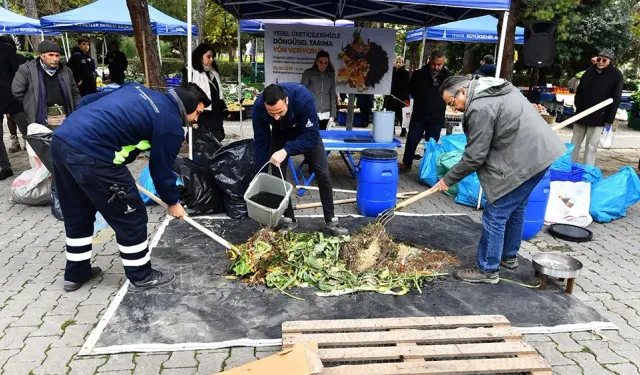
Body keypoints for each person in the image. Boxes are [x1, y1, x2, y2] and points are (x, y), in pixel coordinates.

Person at [51, 82, 210, 292]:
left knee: (77, 211)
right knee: (131, 215)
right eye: (197, 113)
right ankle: (141, 275)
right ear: (187, 108)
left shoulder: (139, 89)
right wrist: (173, 202)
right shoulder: (170, 124)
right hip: (95, 157)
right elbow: (161, 170)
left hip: (62, 140)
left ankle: (75, 273)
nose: (196, 120)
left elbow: (88, 101)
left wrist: (84, 129)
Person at [434, 76, 565, 284]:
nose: (454, 109)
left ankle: (487, 269)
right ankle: (509, 257)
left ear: (463, 92)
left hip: (527, 159)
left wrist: (447, 180)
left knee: (495, 213)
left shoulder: (479, 107)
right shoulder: (495, 87)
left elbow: (475, 156)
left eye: (452, 103)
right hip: (539, 154)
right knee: (517, 208)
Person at [252, 83, 349, 236]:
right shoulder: (258, 107)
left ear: (287, 100)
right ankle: (289, 219)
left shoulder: (303, 98)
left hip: (306, 134)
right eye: (271, 113)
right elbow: (261, 141)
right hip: (280, 134)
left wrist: (286, 151)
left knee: (323, 174)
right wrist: (259, 174)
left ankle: (331, 220)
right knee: (279, 178)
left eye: (279, 112)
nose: (276, 117)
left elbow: (311, 137)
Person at [12, 40, 81, 131]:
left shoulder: (65, 71)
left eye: (57, 55)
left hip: (64, 116)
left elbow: (75, 92)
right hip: (40, 117)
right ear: (41, 55)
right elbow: (17, 91)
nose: (55, 58)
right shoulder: (27, 69)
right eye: (51, 55)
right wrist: (32, 103)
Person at [400, 50, 451, 172]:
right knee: (412, 140)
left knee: (431, 144)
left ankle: (427, 167)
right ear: (429, 61)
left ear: (443, 62)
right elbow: (411, 89)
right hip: (419, 113)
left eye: (439, 64)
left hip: (437, 116)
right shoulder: (419, 74)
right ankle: (407, 163)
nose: (436, 67)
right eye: (434, 64)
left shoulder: (448, 76)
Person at [572, 49, 623, 166]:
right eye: (599, 59)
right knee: (574, 144)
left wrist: (609, 119)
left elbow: (616, 98)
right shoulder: (589, 72)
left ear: (610, 61)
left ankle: (587, 171)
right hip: (581, 114)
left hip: (599, 117)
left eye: (604, 60)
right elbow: (579, 92)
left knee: (591, 147)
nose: (600, 62)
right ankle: (568, 167)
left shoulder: (616, 75)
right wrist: (578, 106)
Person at [183, 43, 227, 162]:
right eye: (208, 56)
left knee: (215, 146)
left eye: (212, 56)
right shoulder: (190, 71)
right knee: (200, 148)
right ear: (200, 56)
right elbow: (188, 93)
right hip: (200, 115)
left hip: (215, 115)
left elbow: (218, 94)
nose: (211, 60)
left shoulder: (213, 72)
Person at [0, 36, 23, 180]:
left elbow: (19, 73)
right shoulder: (9, 50)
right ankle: (5, 167)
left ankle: (5, 166)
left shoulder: (5, 49)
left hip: (12, 97)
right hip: (12, 97)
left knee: (29, 130)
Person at [301, 50, 337, 131]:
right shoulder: (308, 73)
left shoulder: (331, 75)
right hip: (311, 111)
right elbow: (302, 92)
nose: (323, 65)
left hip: (326, 113)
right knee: (311, 137)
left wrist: (333, 114)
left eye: (325, 63)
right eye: (321, 62)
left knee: (323, 138)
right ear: (316, 61)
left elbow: (332, 95)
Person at [384, 56, 410, 137]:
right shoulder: (392, 72)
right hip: (391, 96)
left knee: (400, 115)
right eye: (397, 62)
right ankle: (391, 130)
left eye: (400, 62)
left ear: (403, 63)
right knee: (390, 113)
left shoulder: (405, 73)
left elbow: (406, 86)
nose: (398, 64)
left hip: (400, 97)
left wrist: (406, 98)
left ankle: (403, 130)